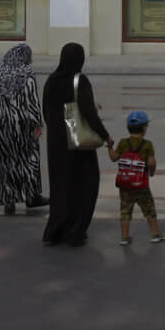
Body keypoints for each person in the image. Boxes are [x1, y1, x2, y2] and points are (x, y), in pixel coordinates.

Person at [40, 41, 110, 246]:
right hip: (78, 142)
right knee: (85, 182)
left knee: (60, 184)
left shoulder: (51, 80)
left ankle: (56, 229)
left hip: (56, 143)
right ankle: (75, 229)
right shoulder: (80, 81)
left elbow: (45, 109)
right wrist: (105, 135)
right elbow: (88, 112)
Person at [0, 44, 47, 215]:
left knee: (3, 161)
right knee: (27, 159)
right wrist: (38, 123)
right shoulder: (26, 73)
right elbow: (32, 101)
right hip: (20, 126)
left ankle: (8, 200)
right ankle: (31, 196)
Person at [111, 109, 165, 245]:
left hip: (125, 184)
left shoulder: (123, 143)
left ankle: (124, 237)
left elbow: (114, 158)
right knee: (149, 209)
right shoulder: (147, 144)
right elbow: (151, 162)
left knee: (125, 210)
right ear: (143, 128)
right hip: (141, 184)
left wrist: (109, 147)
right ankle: (155, 234)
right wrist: (152, 172)